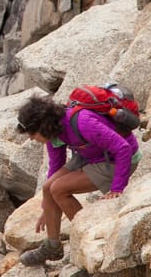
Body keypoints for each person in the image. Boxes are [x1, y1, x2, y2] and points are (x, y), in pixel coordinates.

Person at [15, 94, 141, 266]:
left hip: (118, 160)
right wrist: (48, 207)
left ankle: (87, 239)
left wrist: (117, 188)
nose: (31, 138)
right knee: (48, 188)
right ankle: (52, 246)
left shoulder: (82, 123)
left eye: (32, 133)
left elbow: (123, 148)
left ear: (43, 126)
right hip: (91, 154)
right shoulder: (53, 131)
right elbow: (56, 165)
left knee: (59, 189)